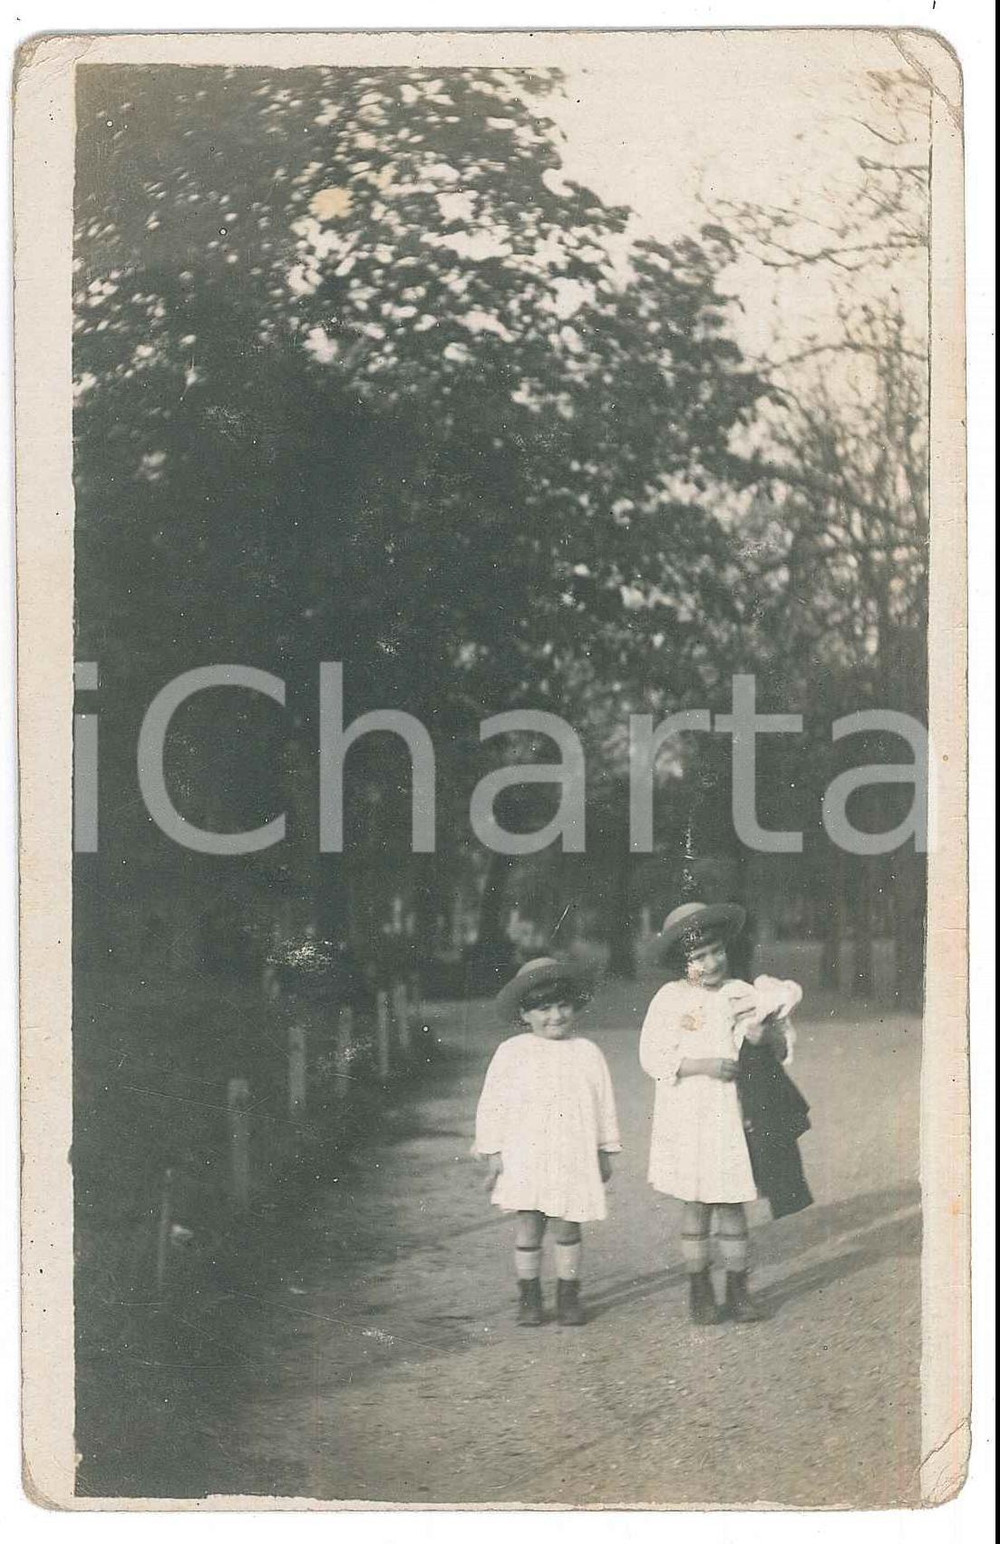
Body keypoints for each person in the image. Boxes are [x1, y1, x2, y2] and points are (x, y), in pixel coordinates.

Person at [639, 902, 806, 1325]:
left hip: (732, 1116)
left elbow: (781, 1048)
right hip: (690, 1112)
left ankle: (738, 1287)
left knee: (732, 1202)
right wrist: (702, 1065)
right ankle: (699, 1288)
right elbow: (652, 1055)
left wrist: (763, 1035)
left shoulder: (742, 993)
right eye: (698, 956)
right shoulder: (670, 999)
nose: (710, 963)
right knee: (696, 1203)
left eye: (716, 951)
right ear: (682, 961)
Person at [473, 956, 621, 1327]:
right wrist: (492, 1152)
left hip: (573, 1153)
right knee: (530, 1224)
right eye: (543, 1009)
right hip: (527, 1155)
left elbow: (604, 1104)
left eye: (563, 1005)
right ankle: (529, 1294)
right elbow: (492, 1104)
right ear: (525, 1014)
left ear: (575, 1007)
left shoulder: (587, 1053)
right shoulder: (512, 1053)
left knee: (568, 1224)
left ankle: (568, 1293)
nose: (555, 1016)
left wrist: (605, 1150)